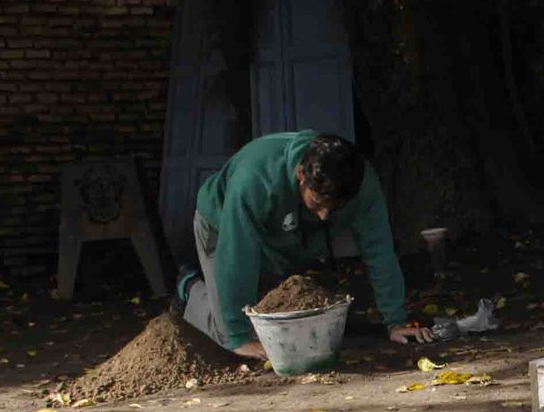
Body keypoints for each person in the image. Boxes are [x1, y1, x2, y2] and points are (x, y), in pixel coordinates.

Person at [175, 131, 433, 358]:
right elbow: (236, 256)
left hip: (277, 227)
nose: (324, 216)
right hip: (222, 224)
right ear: (301, 175)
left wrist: (395, 321)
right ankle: (190, 289)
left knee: (270, 318)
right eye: (319, 204)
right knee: (231, 331)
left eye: (335, 207)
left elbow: (379, 251)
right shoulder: (254, 181)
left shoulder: (363, 184)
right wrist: (238, 337)